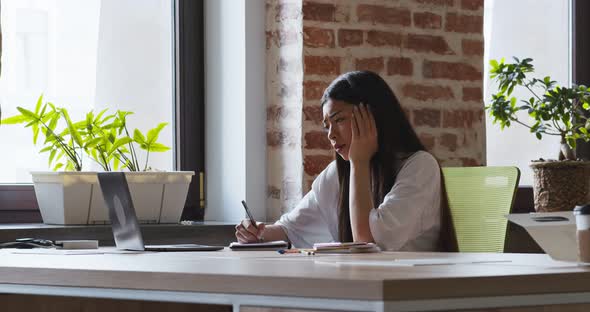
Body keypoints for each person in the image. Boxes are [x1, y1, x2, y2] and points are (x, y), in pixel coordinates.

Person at [235, 70, 452, 251]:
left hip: (407, 293)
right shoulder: (337, 174)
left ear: (372, 117)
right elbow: (290, 230)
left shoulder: (420, 166)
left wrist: (359, 162)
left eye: (338, 120)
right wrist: (258, 235)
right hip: (362, 289)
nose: (330, 134)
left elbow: (367, 243)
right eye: (326, 125)